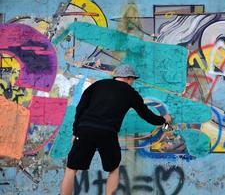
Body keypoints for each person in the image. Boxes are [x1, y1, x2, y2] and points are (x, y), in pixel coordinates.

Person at [60, 64, 172, 195]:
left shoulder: (97, 85)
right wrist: (163, 119)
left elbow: (80, 109)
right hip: (107, 133)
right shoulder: (130, 93)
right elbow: (146, 114)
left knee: (71, 168)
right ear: (129, 78)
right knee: (113, 169)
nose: (132, 83)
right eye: (132, 80)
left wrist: (75, 131)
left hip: (85, 130)